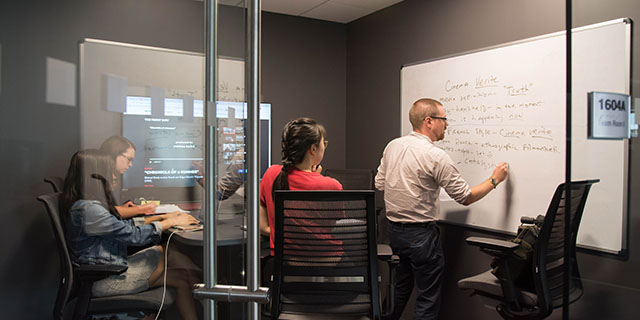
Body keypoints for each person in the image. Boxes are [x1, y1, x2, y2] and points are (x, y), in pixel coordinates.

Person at [375, 98, 509, 320]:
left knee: (398, 291)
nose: (447, 124)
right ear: (429, 121)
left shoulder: (393, 146)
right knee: (427, 301)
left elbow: (380, 183)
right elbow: (465, 197)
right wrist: (494, 179)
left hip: (394, 234)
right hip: (421, 236)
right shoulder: (436, 156)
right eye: (444, 119)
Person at [60, 149, 201, 319]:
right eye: (109, 172)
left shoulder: (87, 206)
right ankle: (206, 283)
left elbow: (122, 226)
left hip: (110, 269)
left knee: (181, 274)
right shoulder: (89, 210)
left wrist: (162, 218)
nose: (114, 177)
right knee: (177, 263)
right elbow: (134, 236)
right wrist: (169, 222)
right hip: (104, 279)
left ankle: (201, 281)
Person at [259, 117, 342, 254]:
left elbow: (262, 227)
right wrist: (317, 177)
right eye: (323, 143)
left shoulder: (271, 174)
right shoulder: (331, 185)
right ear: (313, 149)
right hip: (326, 259)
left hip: (285, 262)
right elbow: (330, 226)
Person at [100, 135, 157, 218]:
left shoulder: (106, 178)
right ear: (114, 154)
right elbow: (102, 214)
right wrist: (141, 209)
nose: (130, 165)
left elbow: (106, 210)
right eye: (129, 159)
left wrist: (121, 208)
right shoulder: (97, 181)